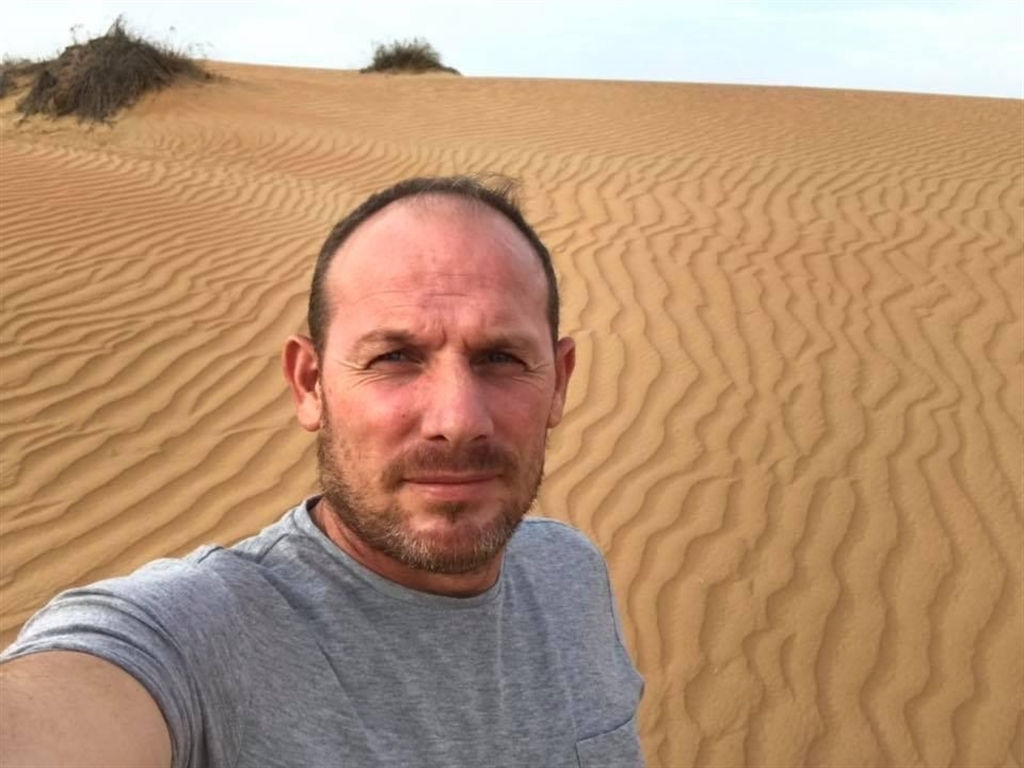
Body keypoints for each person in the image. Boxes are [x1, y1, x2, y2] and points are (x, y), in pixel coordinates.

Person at [0, 175, 645, 768]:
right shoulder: (202, 640)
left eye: (501, 358)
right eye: (394, 357)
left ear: (559, 383)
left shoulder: (571, 573)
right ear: (309, 384)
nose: (458, 419)